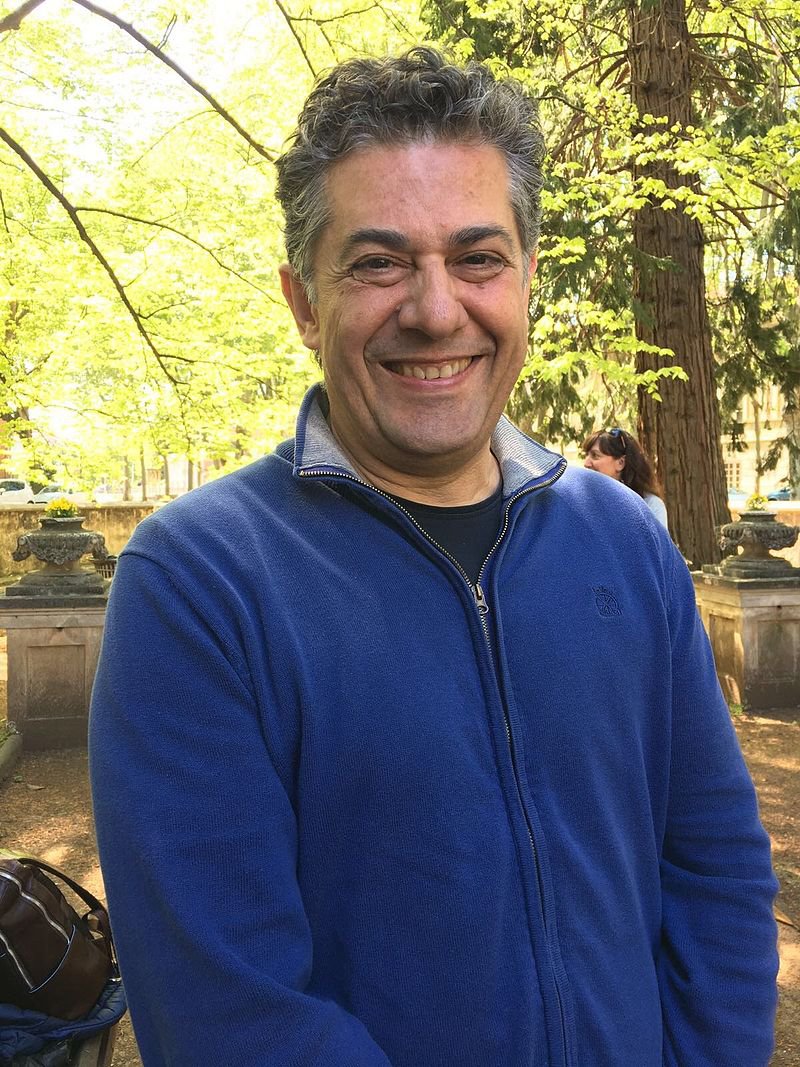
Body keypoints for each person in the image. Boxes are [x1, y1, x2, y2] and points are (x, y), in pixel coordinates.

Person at [89, 48, 778, 1067]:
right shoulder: (199, 581)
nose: (435, 308)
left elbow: (716, 871)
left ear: (527, 277)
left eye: (477, 258)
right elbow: (227, 1006)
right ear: (302, 300)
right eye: (378, 263)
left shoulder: (626, 542)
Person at [583, 426, 669, 528]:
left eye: (595, 456)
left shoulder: (650, 505)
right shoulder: (582, 503)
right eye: (586, 455)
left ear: (620, 463)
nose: (586, 463)